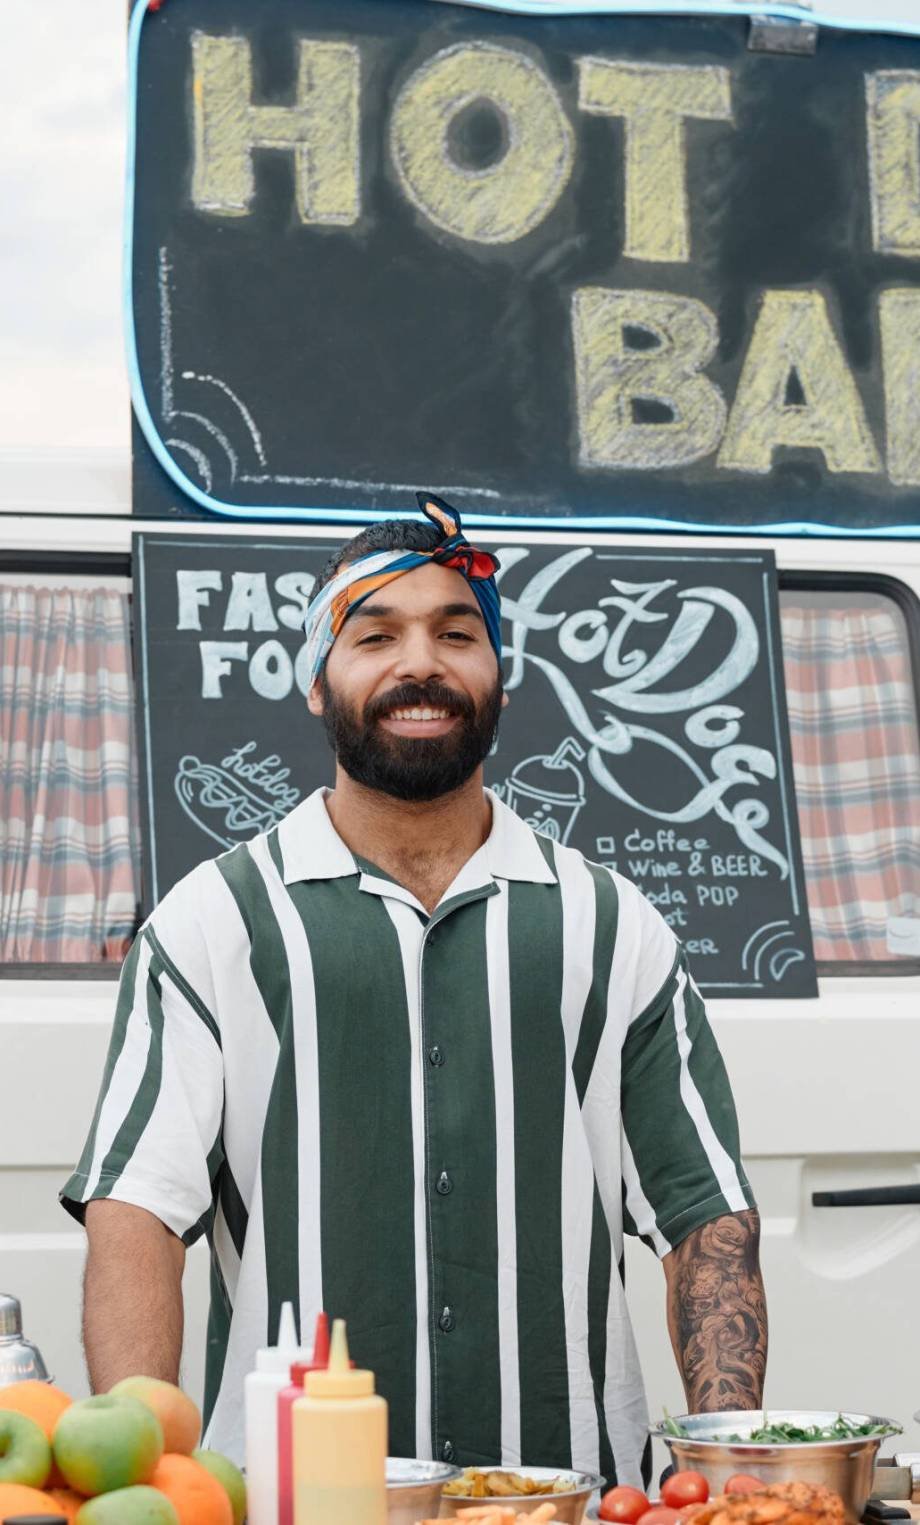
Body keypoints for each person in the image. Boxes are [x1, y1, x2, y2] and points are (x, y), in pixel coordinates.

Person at [61, 495, 766, 1482]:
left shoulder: (611, 926)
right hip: (287, 1496)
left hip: (570, 1499)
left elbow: (705, 1216)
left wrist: (726, 1477)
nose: (419, 665)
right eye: (374, 635)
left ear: (501, 677)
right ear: (317, 680)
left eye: (456, 633)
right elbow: (135, 1211)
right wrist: (138, 1485)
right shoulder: (208, 923)